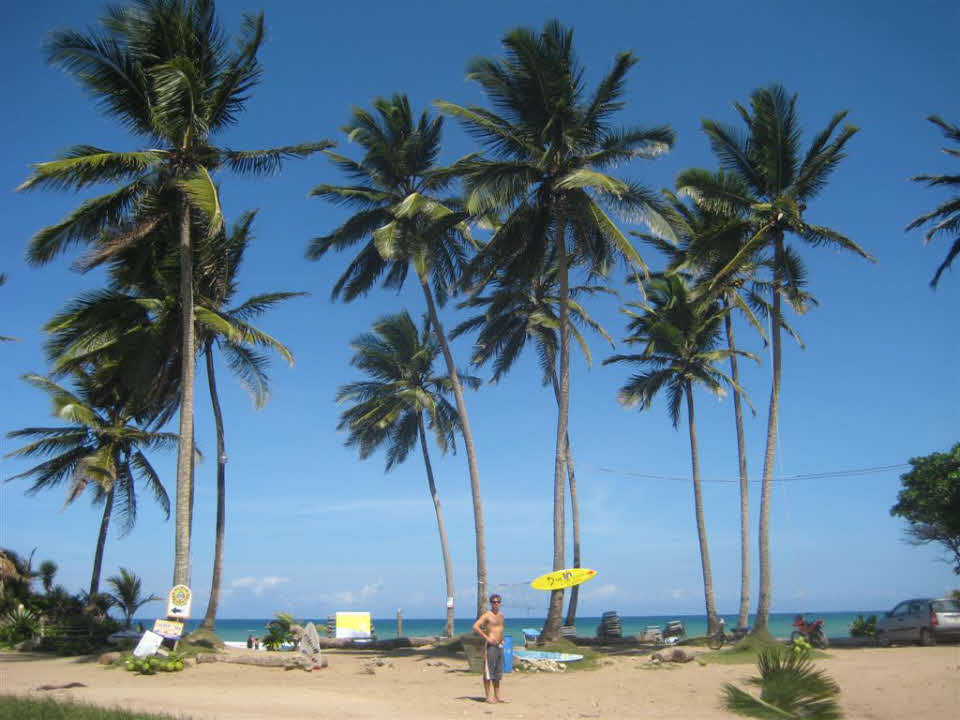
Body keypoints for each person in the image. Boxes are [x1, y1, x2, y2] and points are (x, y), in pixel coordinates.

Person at [472, 594, 505, 704]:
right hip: (490, 646)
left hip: (499, 646)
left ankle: (497, 696)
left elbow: (501, 629)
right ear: (491, 603)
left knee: (497, 673)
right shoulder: (487, 615)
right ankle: (488, 696)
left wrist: (502, 639)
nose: (496, 604)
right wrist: (487, 637)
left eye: (498, 602)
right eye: (494, 602)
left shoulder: (501, 615)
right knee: (488, 672)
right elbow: (475, 626)